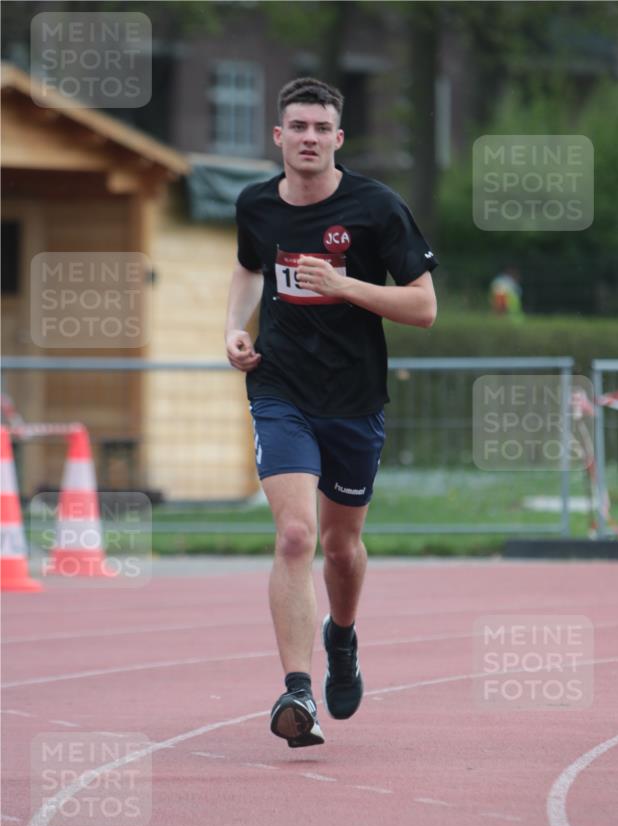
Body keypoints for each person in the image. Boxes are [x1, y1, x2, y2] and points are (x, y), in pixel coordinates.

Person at [225, 77, 437, 748]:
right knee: (294, 536)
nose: (309, 138)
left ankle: (340, 638)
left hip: (353, 398)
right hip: (280, 388)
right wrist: (234, 328)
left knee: (341, 547)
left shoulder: (376, 208)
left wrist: (344, 284)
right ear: (278, 136)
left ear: (337, 139)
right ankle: (297, 692)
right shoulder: (255, 204)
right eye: (298, 126)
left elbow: (424, 307)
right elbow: (250, 267)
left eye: (321, 128)